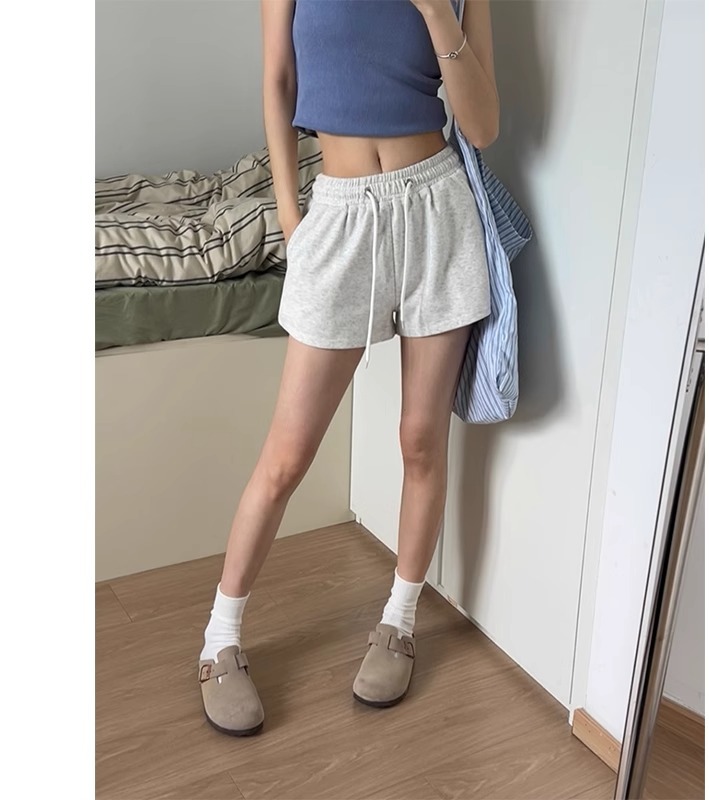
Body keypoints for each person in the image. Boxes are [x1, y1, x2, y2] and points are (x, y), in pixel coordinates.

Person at [198, 0, 499, 736]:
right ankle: (219, 639)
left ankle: (399, 621)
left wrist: (436, 11)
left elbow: (485, 127)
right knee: (287, 455)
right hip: (338, 213)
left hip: (437, 210)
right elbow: (278, 78)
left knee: (421, 440)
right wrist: (289, 215)